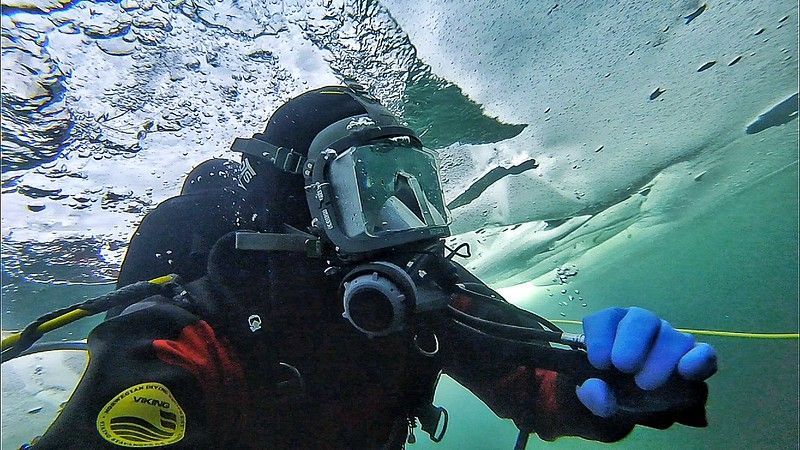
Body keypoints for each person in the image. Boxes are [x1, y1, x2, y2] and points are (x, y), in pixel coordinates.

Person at [22, 85, 717, 449]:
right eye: (366, 193)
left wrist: (612, 387)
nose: (400, 226)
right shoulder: (196, 329)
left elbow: (532, 380)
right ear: (300, 209)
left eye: (412, 187)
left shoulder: (423, 291)